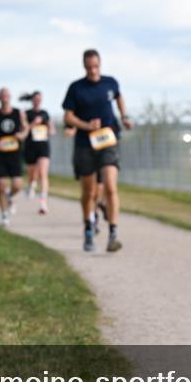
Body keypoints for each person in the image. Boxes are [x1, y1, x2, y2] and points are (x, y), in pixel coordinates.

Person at [62, 49, 133, 252]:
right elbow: (68, 116)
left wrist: (124, 116)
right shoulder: (76, 88)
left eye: (96, 66)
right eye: (89, 67)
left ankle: (113, 233)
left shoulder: (110, 83)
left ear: (100, 64)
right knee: (89, 191)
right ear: (84, 66)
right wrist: (85, 125)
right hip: (85, 144)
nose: (93, 71)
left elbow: (119, 98)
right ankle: (88, 227)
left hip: (108, 141)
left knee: (110, 186)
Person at [0, 88, 29, 226]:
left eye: (7, 95)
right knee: (1, 185)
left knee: (17, 185)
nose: (5, 98)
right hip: (0, 154)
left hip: (15, 153)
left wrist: (22, 135)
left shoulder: (18, 113)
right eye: (2, 96)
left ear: (10, 97)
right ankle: (4, 213)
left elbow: (26, 129)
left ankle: (9, 196)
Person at [20, 91, 54, 214]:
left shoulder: (45, 113)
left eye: (39, 98)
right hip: (30, 146)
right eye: (35, 99)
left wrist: (51, 131)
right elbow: (24, 130)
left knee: (43, 173)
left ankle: (43, 203)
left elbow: (51, 128)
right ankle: (31, 185)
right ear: (32, 100)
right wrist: (31, 123)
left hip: (43, 146)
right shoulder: (26, 114)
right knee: (32, 174)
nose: (37, 101)